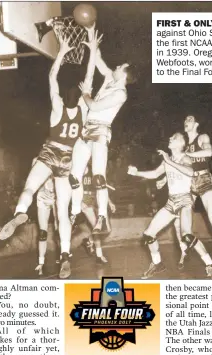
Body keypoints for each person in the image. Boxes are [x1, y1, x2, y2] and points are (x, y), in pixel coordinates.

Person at [0, 32, 100, 279]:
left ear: (63, 98)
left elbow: (51, 76)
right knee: (62, 213)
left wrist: (63, 51)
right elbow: (88, 80)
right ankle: (65, 255)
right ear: (79, 96)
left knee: (29, 189)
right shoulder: (83, 112)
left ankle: (20, 212)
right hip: (66, 159)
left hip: (49, 152)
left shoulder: (57, 108)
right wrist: (93, 51)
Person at [128, 132, 212, 279]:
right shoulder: (168, 159)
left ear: (180, 144)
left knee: (187, 236)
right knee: (148, 235)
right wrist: (137, 172)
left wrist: (169, 162)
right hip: (171, 202)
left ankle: (211, 265)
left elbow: (190, 172)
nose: (169, 139)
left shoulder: (185, 157)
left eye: (173, 138)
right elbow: (154, 174)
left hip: (184, 201)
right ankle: (157, 264)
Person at [69, 46, 136, 235]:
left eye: (121, 65)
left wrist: (85, 93)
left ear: (124, 73)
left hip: (100, 129)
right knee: (74, 176)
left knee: (98, 177)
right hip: (87, 128)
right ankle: (75, 212)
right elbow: (97, 59)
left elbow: (95, 106)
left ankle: (102, 218)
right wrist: (92, 40)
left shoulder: (121, 93)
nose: (116, 65)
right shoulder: (109, 79)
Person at [183, 115, 212, 264]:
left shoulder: (202, 137)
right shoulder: (182, 144)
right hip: (189, 182)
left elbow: (208, 152)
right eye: (185, 120)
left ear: (196, 124)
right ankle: (183, 251)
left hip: (204, 180)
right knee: (182, 220)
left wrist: (189, 154)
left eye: (189, 120)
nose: (186, 122)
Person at [77, 163, 116, 263]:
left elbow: (102, 188)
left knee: (106, 230)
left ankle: (89, 240)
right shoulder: (76, 170)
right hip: (83, 200)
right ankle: (99, 256)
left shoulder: (93, 169)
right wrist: (79, 202)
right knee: (96, 229)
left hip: (95, 199)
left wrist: (110, 202)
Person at [34, 175, 59, 276]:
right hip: (43, 197)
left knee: (59, 229)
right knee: (42, 232)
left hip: (57, 197)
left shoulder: (62, 162)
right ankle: (41, 262)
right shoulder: (38, 160)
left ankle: (62, 256)